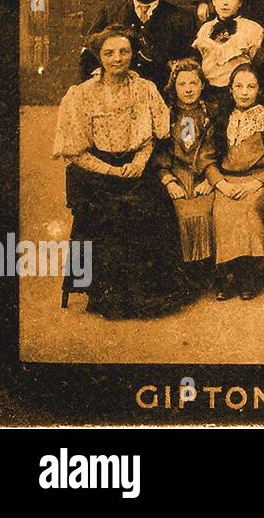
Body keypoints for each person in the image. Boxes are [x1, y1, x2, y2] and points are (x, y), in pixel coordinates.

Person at [54, 26, 192, 318]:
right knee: (111, 215)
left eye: (124, 51)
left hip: (135, 166)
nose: (117, 58)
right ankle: (111, 296)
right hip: (95, 171)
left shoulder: (145, 89)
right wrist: (111, 170)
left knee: (153, 208)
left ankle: (150, 295)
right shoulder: (82, 94)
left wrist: (140, 162)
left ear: (132, 54)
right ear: (99, 57)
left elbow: (153, 136)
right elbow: (75, 152)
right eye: (109, 53)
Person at [206, 63, 264, 301]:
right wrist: (220, 183)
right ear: (230, 90)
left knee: (249, 210)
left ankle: (247, 275)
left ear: (259, 90)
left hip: (258, 181)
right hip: (227, 180)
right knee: (222, 211)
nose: (244, 92)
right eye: (239, 86)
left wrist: (258, 183)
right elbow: (207, 157)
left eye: (251, 86)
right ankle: (227, 274)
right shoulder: (222, 119)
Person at [82, 0, 195, 91]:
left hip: (163, 98)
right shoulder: (109, 15)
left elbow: (190, 67)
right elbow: (87, 57)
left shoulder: (181, 19)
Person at [154, 58, 217, 293]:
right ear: (174, 86)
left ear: (202, 85)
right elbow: (160, 154)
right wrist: (168, 180)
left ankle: (206, 272)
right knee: (178, 208)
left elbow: (219, 151)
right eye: (182, 84)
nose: (188, 89)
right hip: (175, 173)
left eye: (194, 83)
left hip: (205, 174)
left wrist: (211, 180)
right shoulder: (167, 115)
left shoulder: (211, 113)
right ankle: (184, 276)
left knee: (205, 208)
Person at [193, 0, 264, 99]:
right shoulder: (206, 28)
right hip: (208, 94)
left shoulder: (252, 29)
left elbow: (256, 64)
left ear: (240, 2)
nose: (225, 2)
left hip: (239, 94)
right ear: (213, 1)